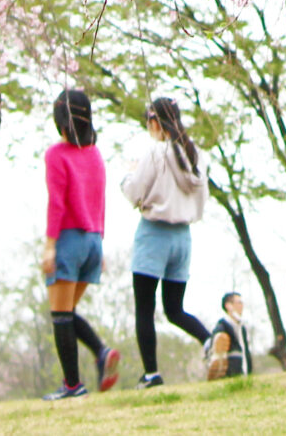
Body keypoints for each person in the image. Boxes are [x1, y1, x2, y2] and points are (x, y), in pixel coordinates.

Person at [121, 95, 214, 387]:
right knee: (174, 308)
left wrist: (127, 175)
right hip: (183, 237)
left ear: (155, 122)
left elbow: (134, 192)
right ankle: (210, 339)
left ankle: (151, 374)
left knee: (145, 309)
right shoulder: (195, 155)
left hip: (154, 233)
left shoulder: (155, 153)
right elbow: (202, 198)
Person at [42, 88, 122, 400]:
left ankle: (73, 384)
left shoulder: (56, 154)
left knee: (60, 315)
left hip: (70, 240)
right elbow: (99, 199)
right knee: (68, 311)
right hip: (93, 241)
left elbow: (57, 204)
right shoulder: (95, 155)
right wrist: (99, 242)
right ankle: (101, 354)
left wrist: (50, 246)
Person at [204, 291, 254, 380]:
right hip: (230, 377)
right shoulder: (221, 328)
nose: (241, 306)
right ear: (228, 306)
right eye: (239, 303)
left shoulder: (242, 328)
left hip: (245, 376)